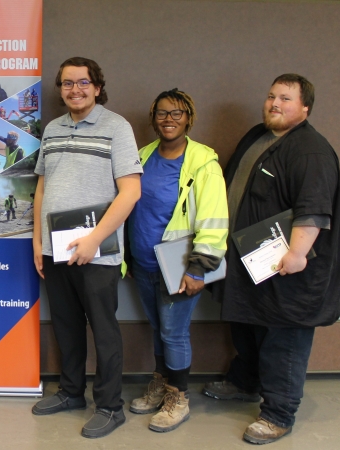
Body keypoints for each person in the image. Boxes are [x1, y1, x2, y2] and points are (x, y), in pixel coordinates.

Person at [202, 74, 340, 445]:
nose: (275, 104)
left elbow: (314, 209)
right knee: (246, 325)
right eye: (270, 96)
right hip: (251, 261)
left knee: (284, 340)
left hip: (287, 267)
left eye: (285, 98)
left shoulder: (310, 150)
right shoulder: (258, 136)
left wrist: (297, 253)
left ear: (305, 107)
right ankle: (246, 382)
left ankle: (278, 413)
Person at [31, 57, 142, 439]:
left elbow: (131, 191)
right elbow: (42, 188)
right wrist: (37, 241)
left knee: (104, 330)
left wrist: (94, 239)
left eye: (83, 82)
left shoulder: (117, 128)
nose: (74, 89)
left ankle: (111, 406)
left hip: (99, 251)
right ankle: (71, 392)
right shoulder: (52, 129)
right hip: (55, 249)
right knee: (67, 326)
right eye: (67, 83)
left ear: (97, 86)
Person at [127, 89, 228, 432]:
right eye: (162, 113)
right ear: (153, 118)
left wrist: (199, 267)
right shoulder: (144, 155)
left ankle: (178, 397)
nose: (169, 119)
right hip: (143, 263)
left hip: (180, 267)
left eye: (177, 113)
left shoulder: (203, 162)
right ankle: (160, 384)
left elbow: (215, 220)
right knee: (158, 329)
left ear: (189, 119)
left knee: (174, 333)